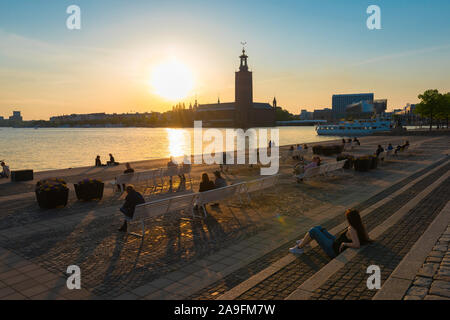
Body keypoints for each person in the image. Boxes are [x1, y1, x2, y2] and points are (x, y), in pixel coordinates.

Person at [289, 209, 372, 258]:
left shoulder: (352, 229)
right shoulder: (360, 225)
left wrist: (345, 243)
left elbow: (356, 244)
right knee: (319, 228)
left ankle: (299, 248)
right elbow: (367, 238)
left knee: (313, 230)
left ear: (349, 219)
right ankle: (305, 242)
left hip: (333, 250)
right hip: (335, 242)